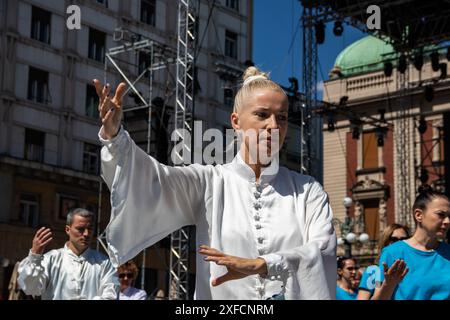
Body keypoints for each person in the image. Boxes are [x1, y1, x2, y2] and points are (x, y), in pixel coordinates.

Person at [95, 66, 336, 300]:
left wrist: (263, 264)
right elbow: (153, 181)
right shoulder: (209, 182)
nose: (273, 126)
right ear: (236, 121)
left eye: (282, 118)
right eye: (262, 115)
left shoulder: (307, 191)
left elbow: (322, 250)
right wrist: (115, 138)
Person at [17, 208, 119, 300]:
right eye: (80, 229)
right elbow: (30, 288)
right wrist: (35, 256)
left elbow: (111, 296)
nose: (86, 234)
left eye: (90, 229)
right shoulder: (51, 259)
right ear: (67, 230)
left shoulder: (104, 263)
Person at [373, 186, 450, 300]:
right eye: (441, 215)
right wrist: (388, 285)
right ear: (419, 215)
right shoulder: (393, 252)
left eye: (449, 216)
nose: (447, 221)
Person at [357, 223, 410, 300]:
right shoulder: (373, 271)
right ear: (385, 242)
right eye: (394, 240)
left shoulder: (413, 268)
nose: (399, 243)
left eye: (403, 240)